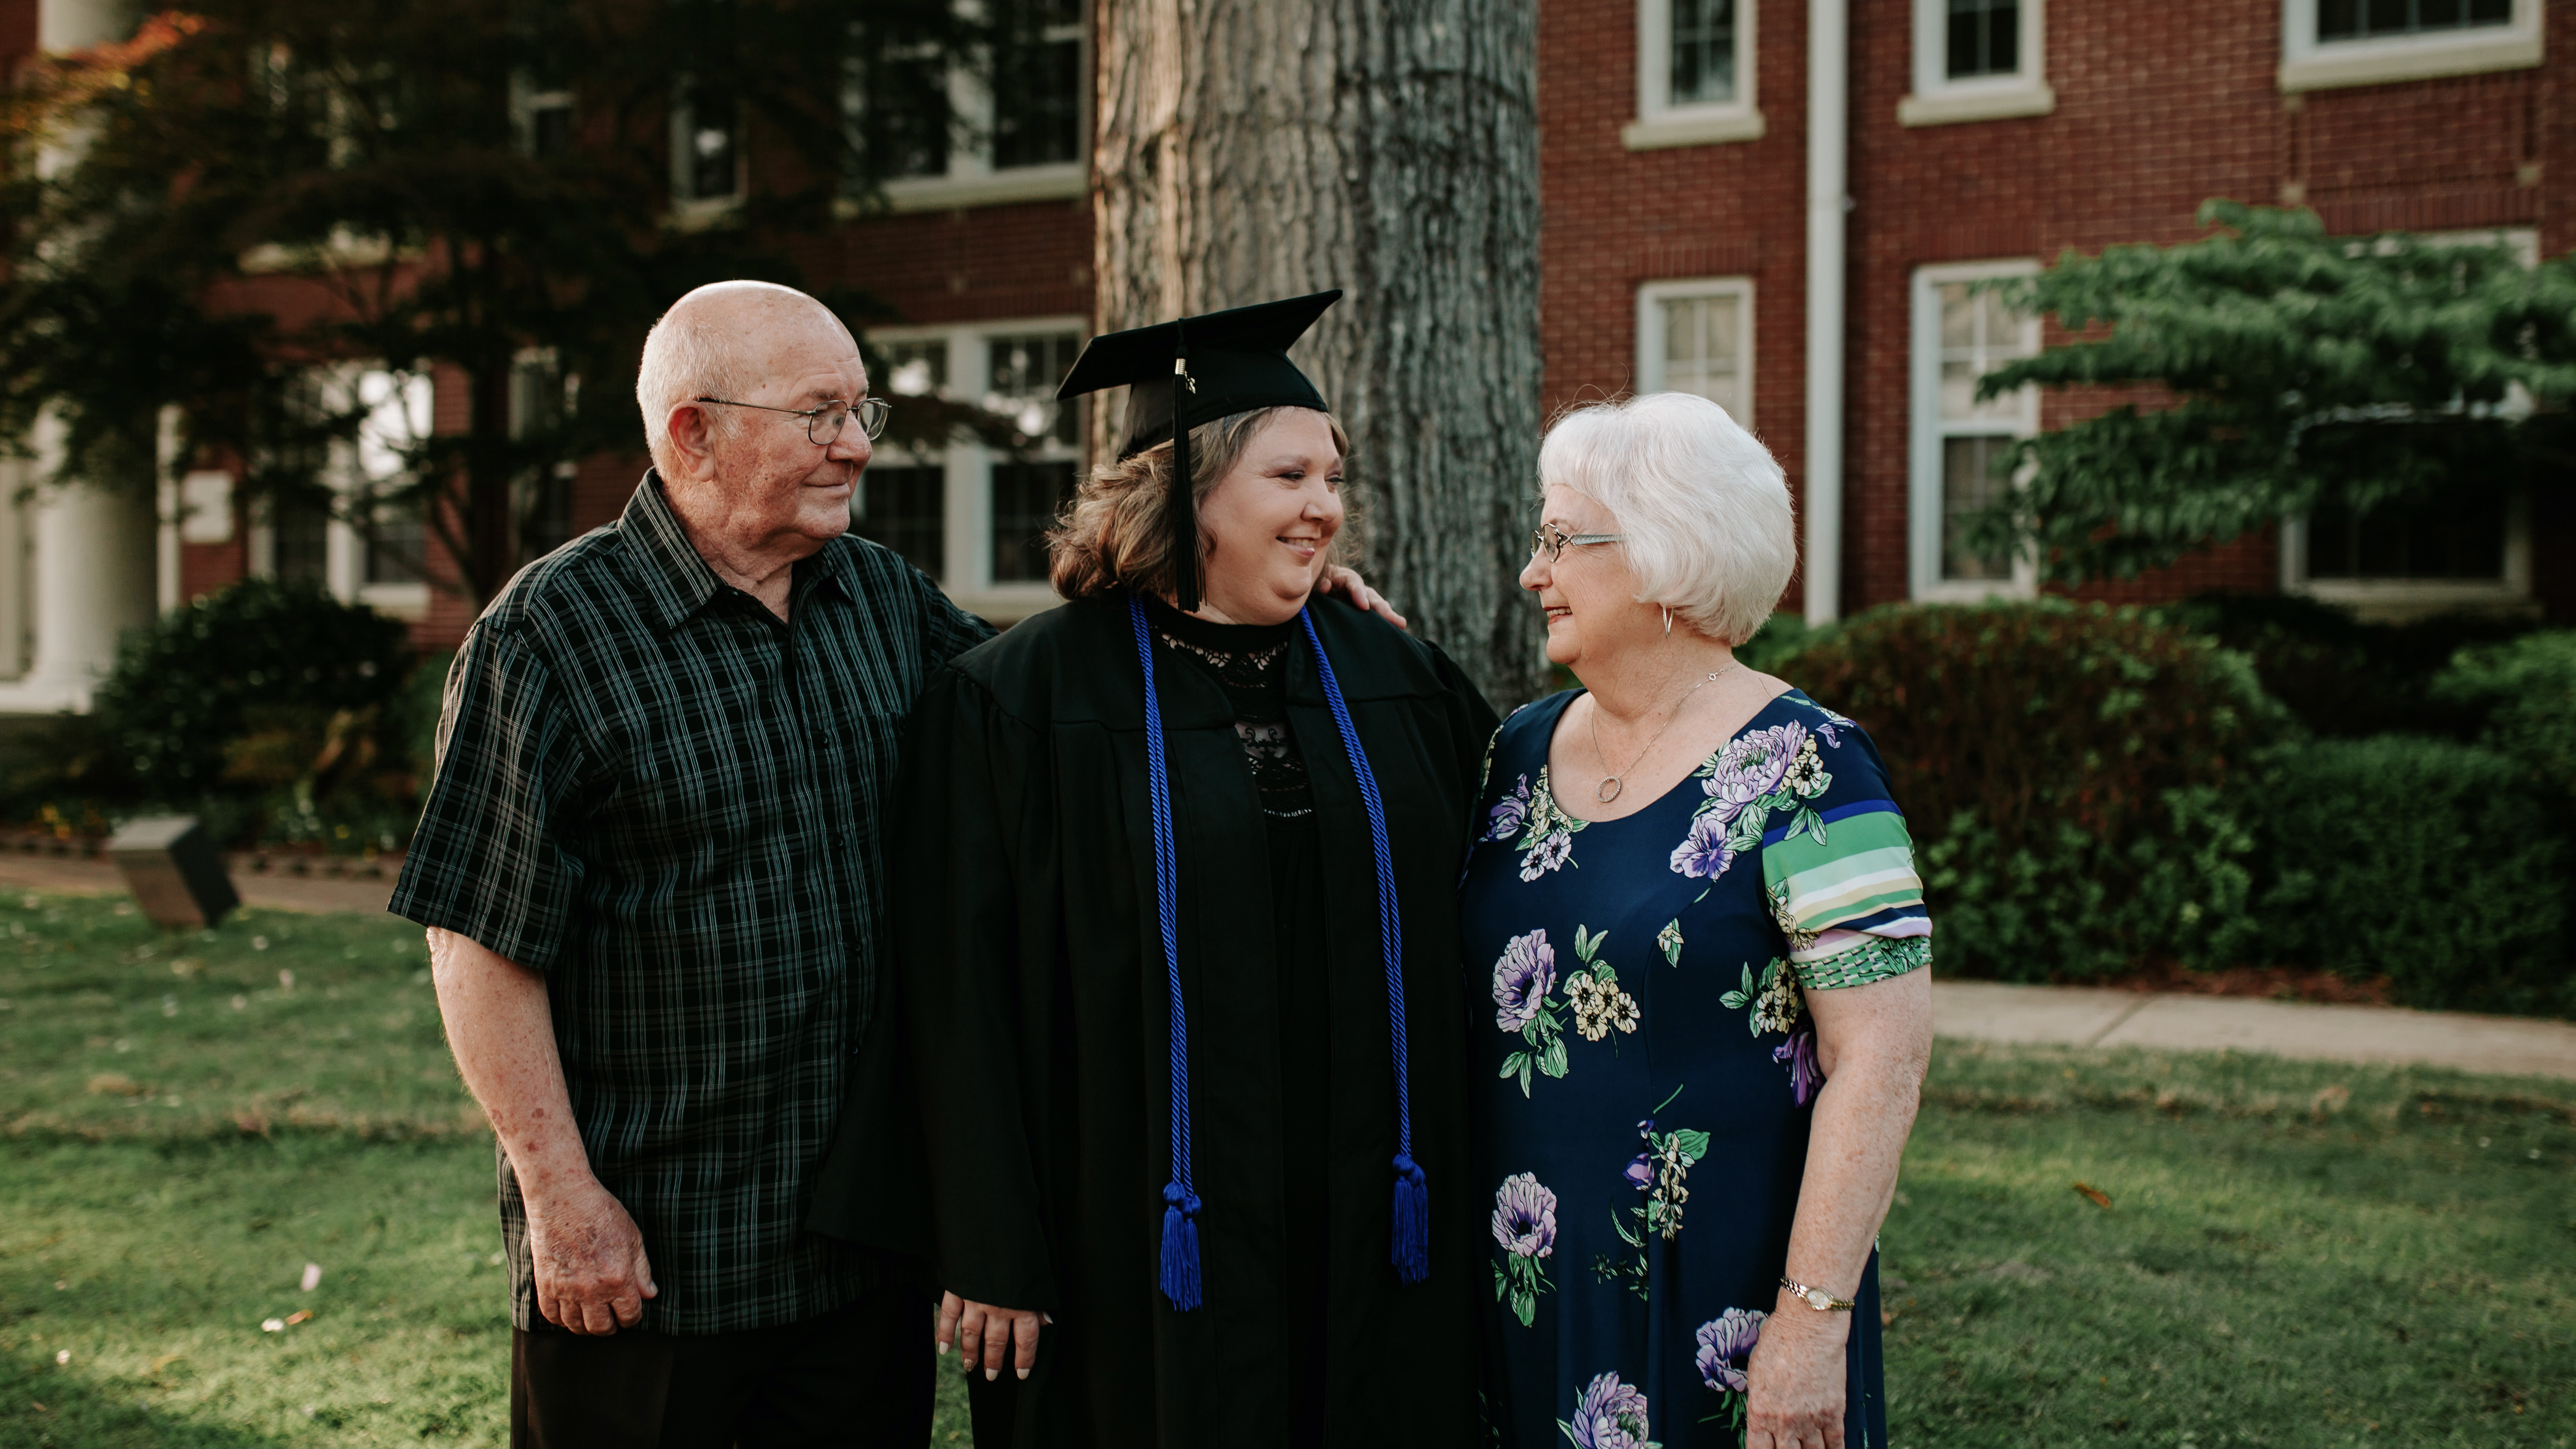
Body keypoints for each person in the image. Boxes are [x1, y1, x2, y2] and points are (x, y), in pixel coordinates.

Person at [806, 292, 1499, 1447]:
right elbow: (956, 992)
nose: (1324, 508)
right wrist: (988, 1244)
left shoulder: (1394, 675)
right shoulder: (1020, 700)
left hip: (1367, 1227)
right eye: (1289, 479)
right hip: (1123, 1234)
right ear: (1186, 488)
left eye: (1333, 479)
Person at [1464, 393, 1935, 1449]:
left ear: (1667, 553)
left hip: (1725, 1298)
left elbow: (1881, 1059)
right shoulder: (1514, 752)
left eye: (1557, 540)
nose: (1532, 572)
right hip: (1521, 1279)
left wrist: (1811, 1325)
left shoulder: (1814, 767)